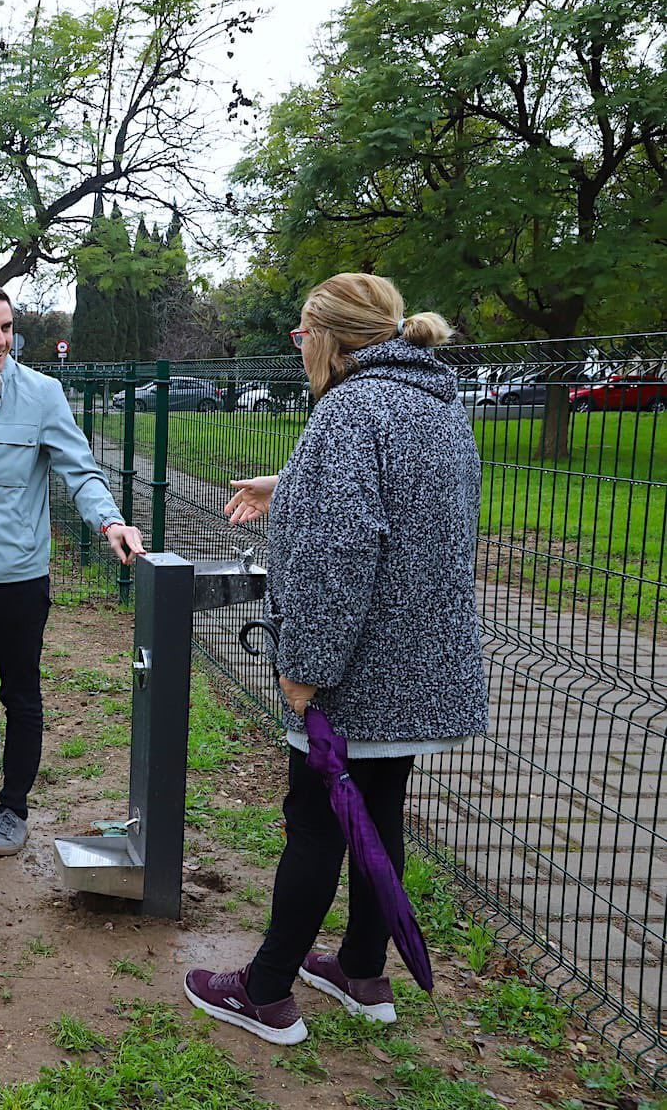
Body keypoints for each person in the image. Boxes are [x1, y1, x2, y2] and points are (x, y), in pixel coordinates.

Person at [182, 273, 487, 1045]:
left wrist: (304, 669)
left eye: (300, 335)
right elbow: (392, 497)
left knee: (314, 825)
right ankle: (360, 969)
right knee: (378, 816)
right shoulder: (435, 402)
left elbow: (342, 548)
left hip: (354, 669)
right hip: (417, 665)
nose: (299, 349)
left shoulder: (348, 409)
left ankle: (266, 989)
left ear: (327, 334)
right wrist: (287, 484)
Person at [0, 282, 146, 856]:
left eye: (7, 328)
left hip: (16, 577)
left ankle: (13, 809)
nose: (0, 341)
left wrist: (109, 522)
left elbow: (80, 471)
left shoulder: (41, 395)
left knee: (21, 694)